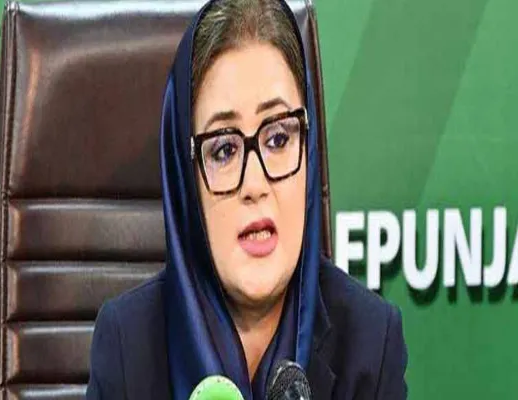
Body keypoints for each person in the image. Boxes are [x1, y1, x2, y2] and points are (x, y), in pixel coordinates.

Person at [86, 0, 408, 398]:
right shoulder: (127, 346)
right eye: (224, 150)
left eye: (279, 139)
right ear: (186, 179)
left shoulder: (370, 342)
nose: (255, 184)